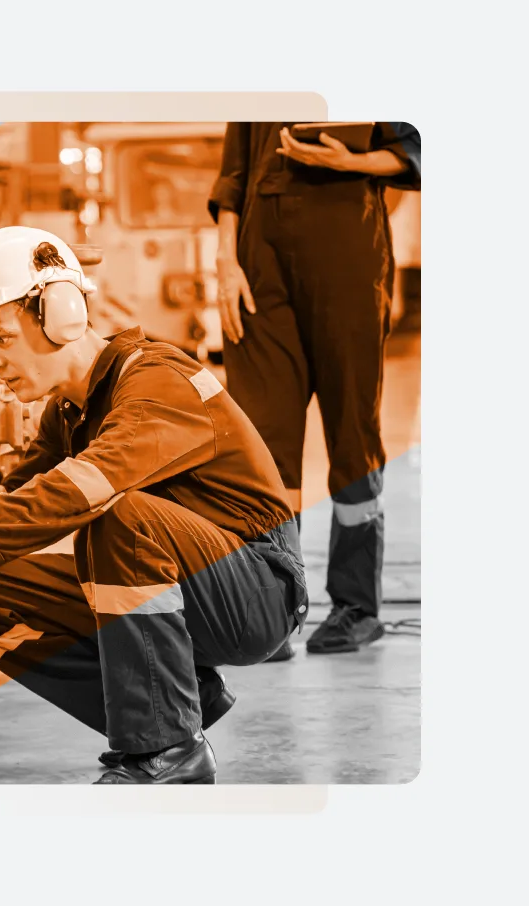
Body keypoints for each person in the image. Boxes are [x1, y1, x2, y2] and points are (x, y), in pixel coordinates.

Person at [0, 226, 309, 784]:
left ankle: (167, 751)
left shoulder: (157, 381)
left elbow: (88, 484)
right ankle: (175, 709)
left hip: (259, 589)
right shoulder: (70, 413)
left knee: (120, 520)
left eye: (1, 339)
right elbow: (14, 500)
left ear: (62, 315)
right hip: (195, 584)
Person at [208, 123, 421, 658]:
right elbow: (233, 173)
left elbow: (420, 144)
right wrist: (225, 261)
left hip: (348, 242)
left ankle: (356, 606)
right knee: (262, 439)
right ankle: (272, 609)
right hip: (259, 259)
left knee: (352, 429)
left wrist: (354, 163)